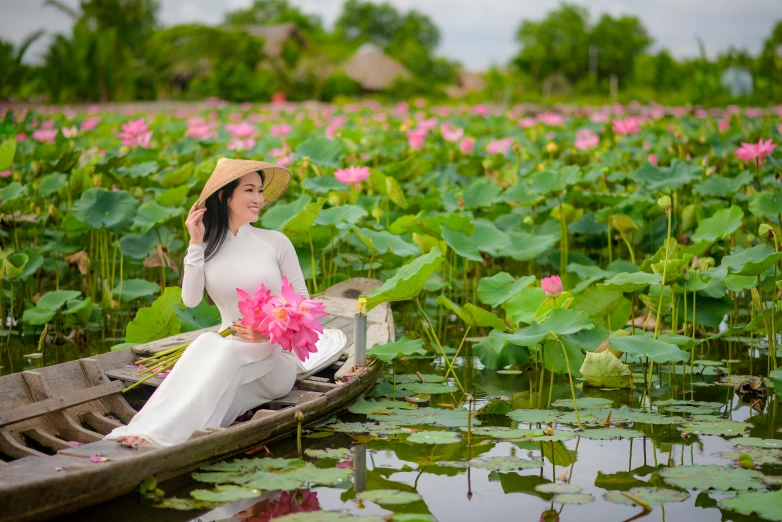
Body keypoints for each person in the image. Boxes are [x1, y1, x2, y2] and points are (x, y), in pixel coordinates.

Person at [105, 158, 346, 449]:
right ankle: (155, 430)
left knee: (222, 353)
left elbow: (306, 307)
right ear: (224, 196)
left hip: (274, 358)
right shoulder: (206, 247)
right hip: (223, 352)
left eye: (259, 191)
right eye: (249, 190)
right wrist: (195, 242)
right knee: (206, 348)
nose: (258, 199)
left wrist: (266, 332)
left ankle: (160, 436)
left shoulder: (276, 242)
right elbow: (190, 300)